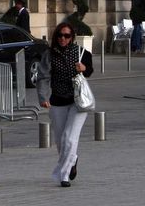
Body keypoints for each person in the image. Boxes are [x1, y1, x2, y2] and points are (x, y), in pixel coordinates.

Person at [36, 21, 94, 188]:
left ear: (72, 37)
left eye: (67, 36)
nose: (63, 38)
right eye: (60, 35)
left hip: (78, 102)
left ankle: (64, 175)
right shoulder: (49, 54)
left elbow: (89, 70)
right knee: (61, 141)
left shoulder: (81, 52)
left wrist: (83, 68)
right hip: (57, 101)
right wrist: (43, 97)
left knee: (69, 138)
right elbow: (43, 77)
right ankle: (72, 159)